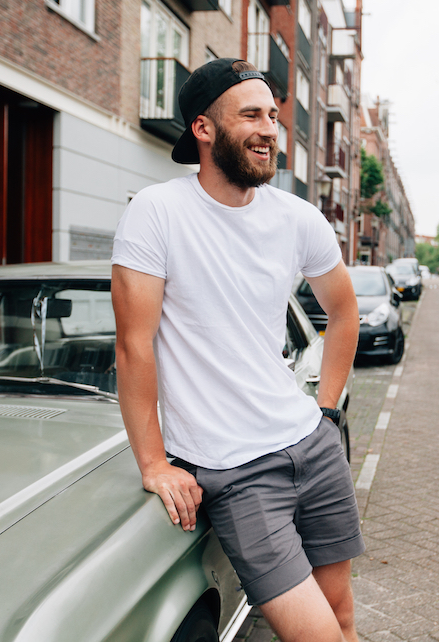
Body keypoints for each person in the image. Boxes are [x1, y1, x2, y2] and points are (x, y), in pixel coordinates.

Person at [110, 58, 363, 641]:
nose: (270, 129)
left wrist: (325, 412)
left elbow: (345, 310)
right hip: (236, 471)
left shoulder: (298, 219)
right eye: (251, 114)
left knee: (343, 617)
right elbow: (133, 345)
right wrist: (153, 463)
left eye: (273, 116)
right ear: (203, 128)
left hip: (312, 445)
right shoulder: (158, 212)